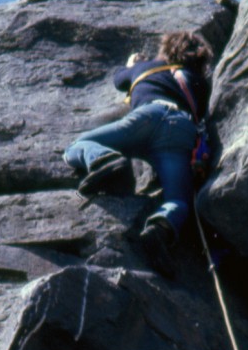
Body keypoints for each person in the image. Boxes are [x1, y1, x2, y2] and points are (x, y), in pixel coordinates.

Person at [64, 30, 213, 275]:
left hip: (147, 117)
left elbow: (118, 79)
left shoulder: (147, 67)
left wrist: (132, 63)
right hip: (180, 129)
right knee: (178, 200)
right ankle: (159, 228)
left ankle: (105, 160)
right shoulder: (199, 82)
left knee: (76, 146)